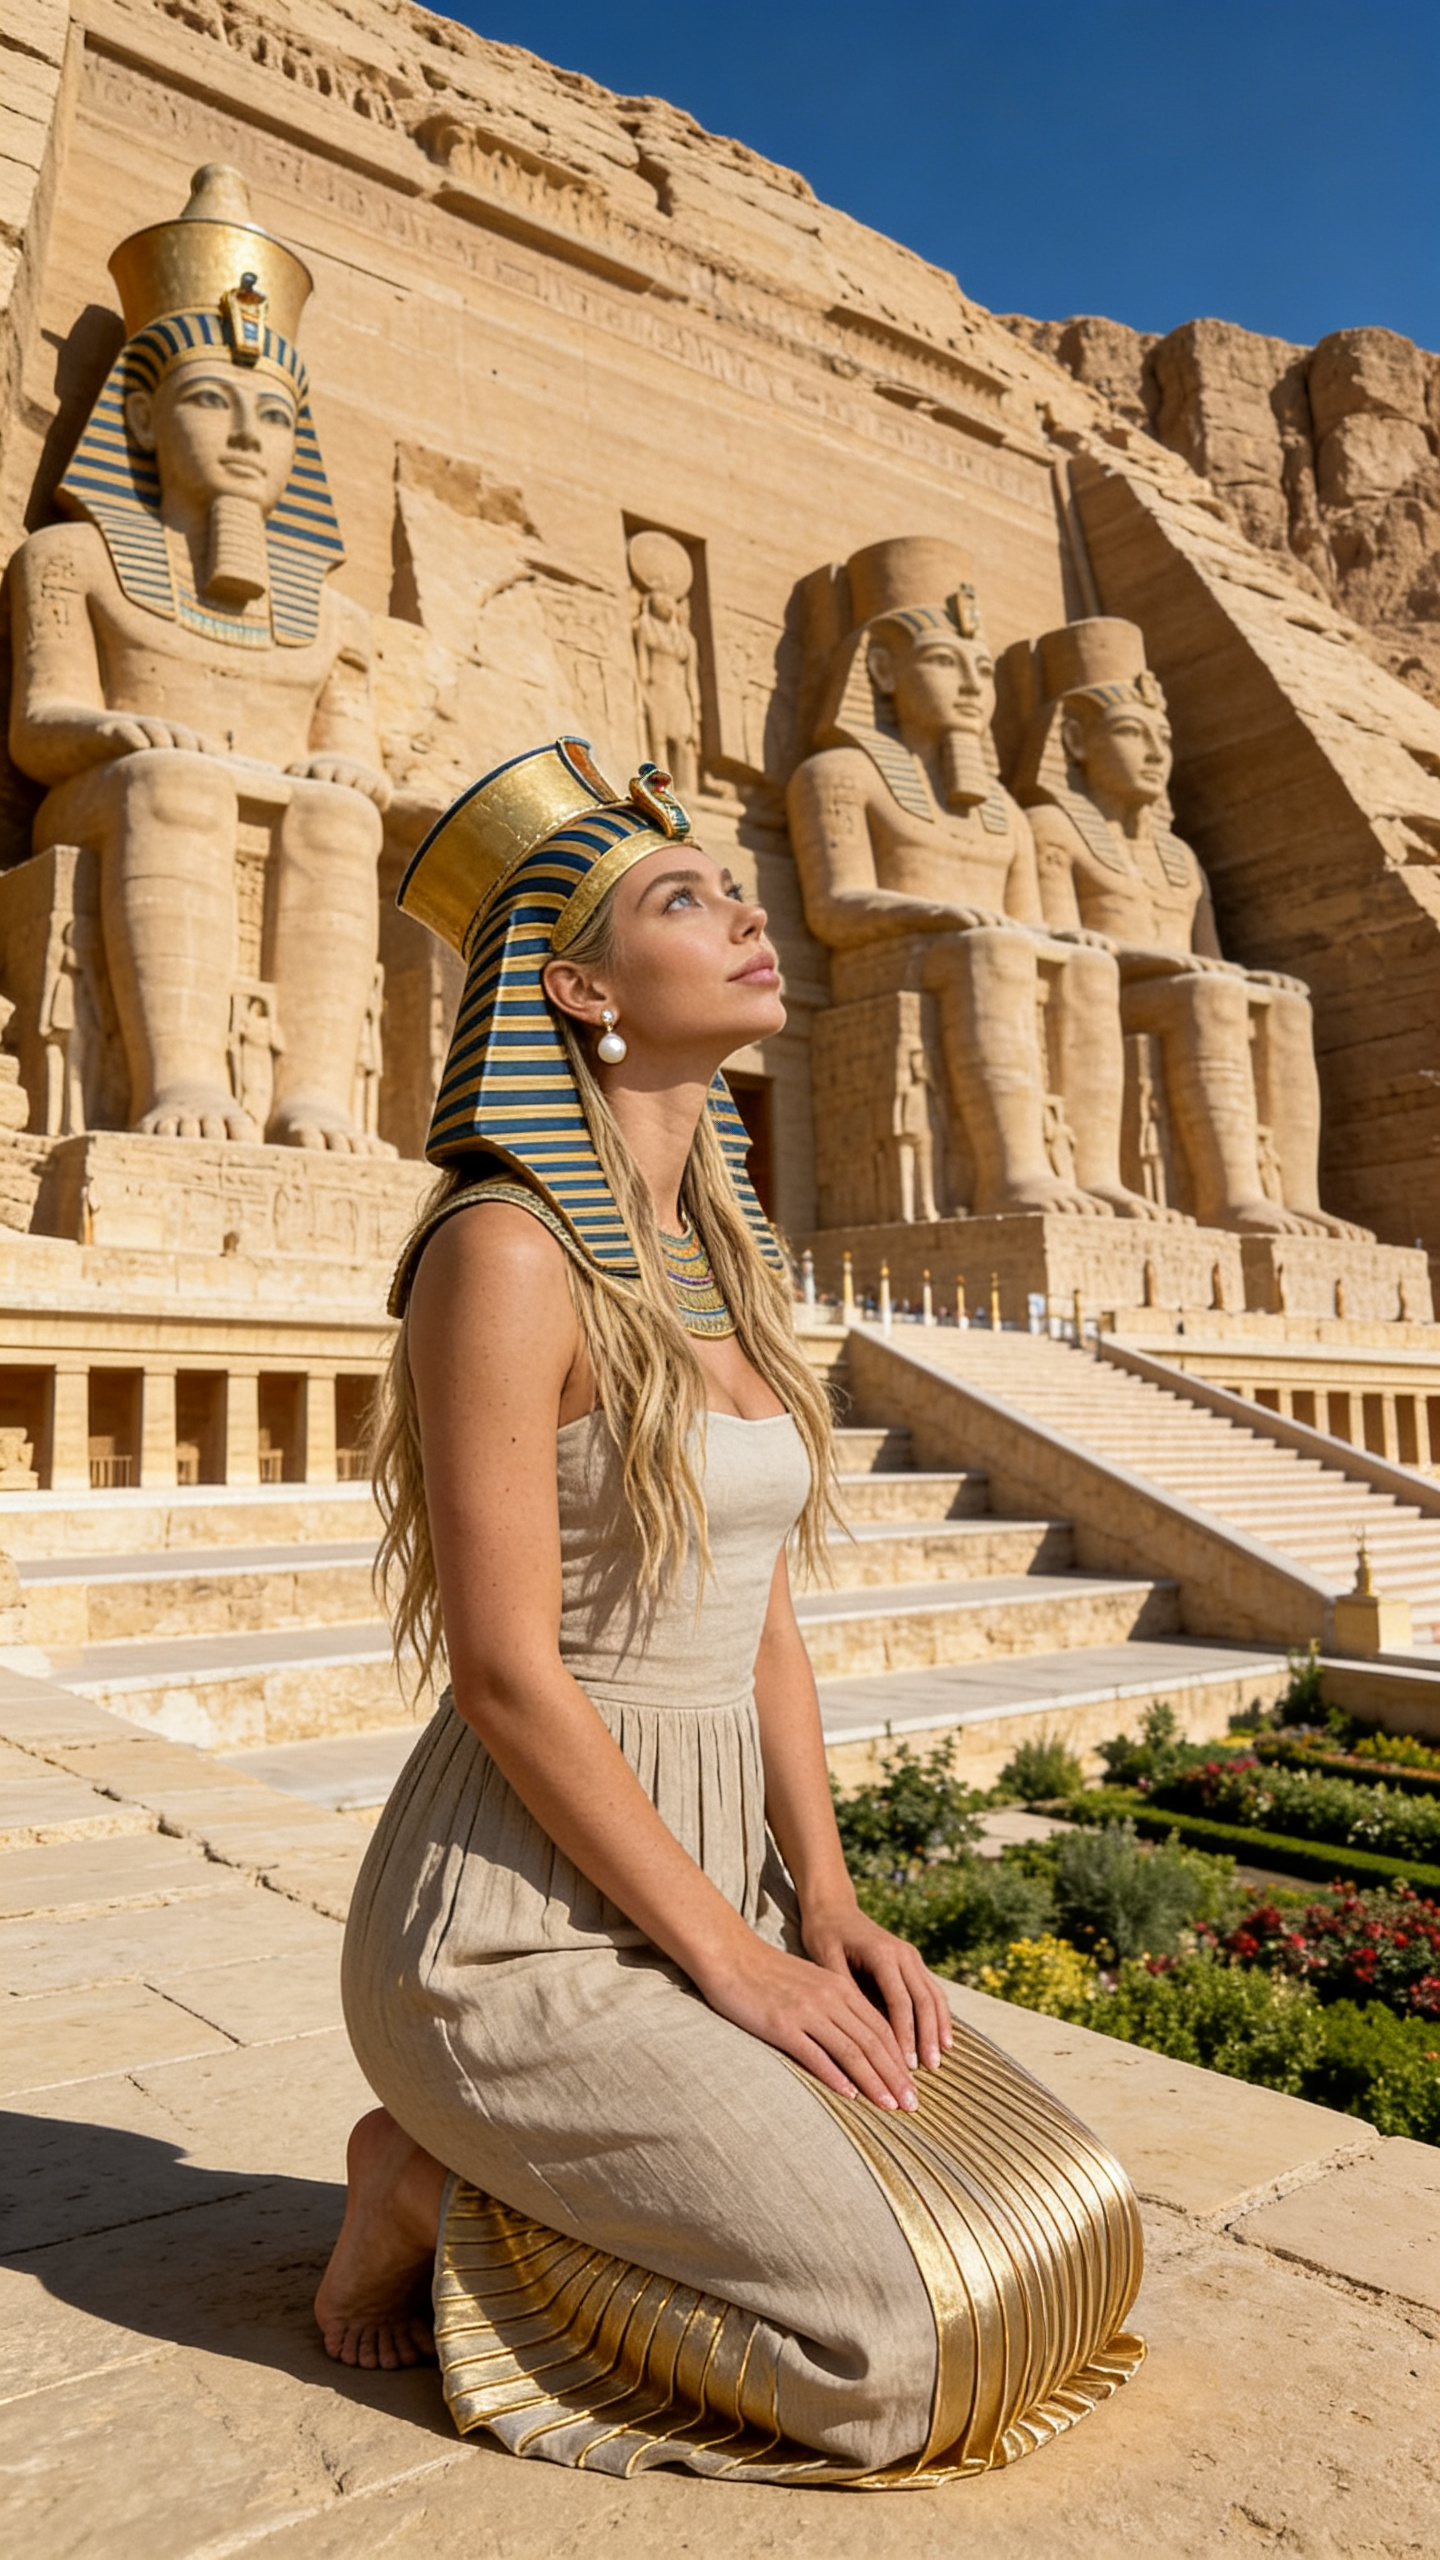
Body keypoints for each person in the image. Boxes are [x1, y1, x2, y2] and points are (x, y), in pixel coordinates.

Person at [316, 737, 1145, 2485]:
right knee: (899, 2350)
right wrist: (732, 1965)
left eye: (737, 892)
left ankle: (482, 2166)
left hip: (723, 1882)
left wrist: (823, 1904)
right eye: (685, 901)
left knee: (1074, 2235)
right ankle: (430, 2186)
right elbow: (503, 1671)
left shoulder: (724, 1261)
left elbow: (760, 1618)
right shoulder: (505, 1248)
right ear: (583, 988)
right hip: (515, 1925)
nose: (748, 918)